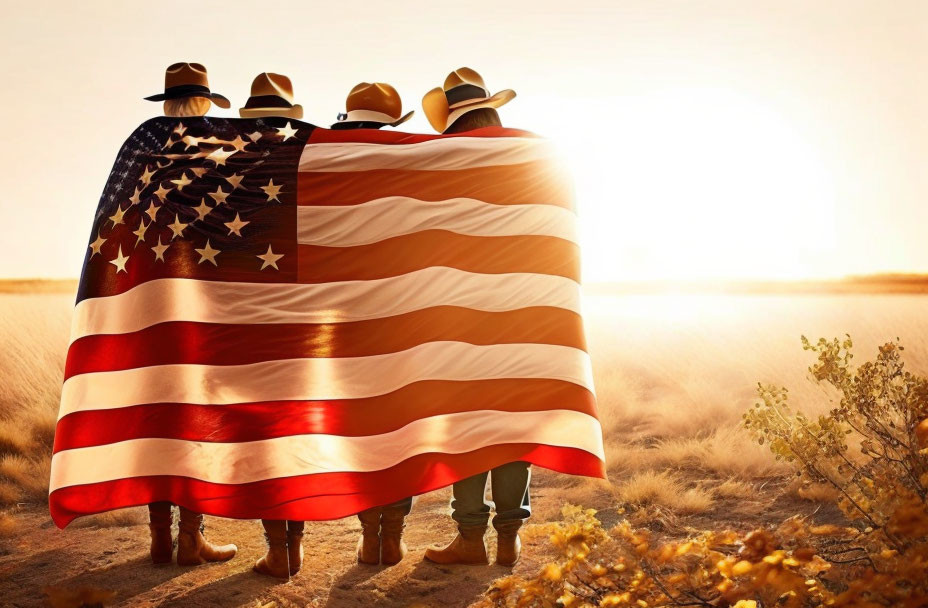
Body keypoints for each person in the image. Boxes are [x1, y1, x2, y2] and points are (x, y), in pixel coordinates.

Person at [420, 68, 528, 567]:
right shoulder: (528, 159)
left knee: (467, 427)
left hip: (461, 315)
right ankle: (509, 536)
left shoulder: (442, 165)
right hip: (524, 312)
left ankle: (470, 538)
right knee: (510, 425)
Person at [141, 62, 237, 566]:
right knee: (195, 420)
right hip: (204, 308)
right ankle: (189, 537)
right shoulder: (219, 151)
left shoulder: (141, 150)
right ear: (205, 102)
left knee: (161, 419)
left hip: (150, 309)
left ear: (167, 102)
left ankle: (159, 536)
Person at [331, 81, 416, 567]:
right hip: (403, 318)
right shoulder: (410, 161)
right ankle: (392, 534)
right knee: (399, 428)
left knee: (363, 428)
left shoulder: (328, 164)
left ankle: (369, 535)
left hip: (349, 321)